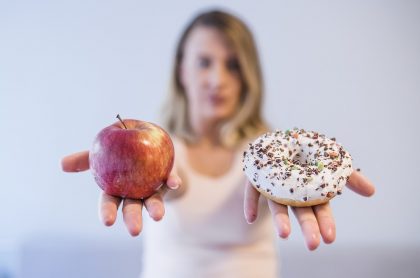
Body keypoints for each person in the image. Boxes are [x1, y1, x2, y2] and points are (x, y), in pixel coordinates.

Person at [61, 9, 375, 278]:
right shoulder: (165, 150)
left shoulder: (266, 155)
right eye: (204, 62)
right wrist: (134, 169)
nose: (218, 79)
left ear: (248, 76)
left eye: (233, 65)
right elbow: (173, 184)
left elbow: (262, 177)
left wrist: (296, 183)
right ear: (182, 70)